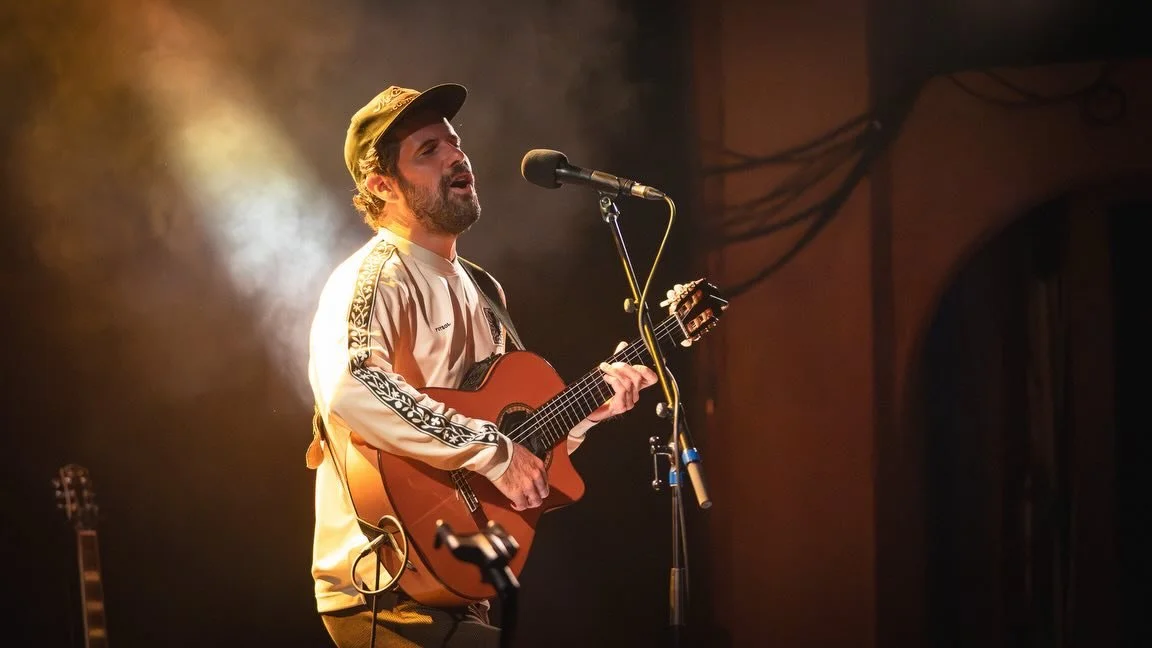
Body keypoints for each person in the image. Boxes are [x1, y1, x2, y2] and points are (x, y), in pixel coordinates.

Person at [306, 82, 658, 648]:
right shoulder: (373, 276)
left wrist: (589, 411)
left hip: (461, 590)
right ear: (380, 186)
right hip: (387, 594)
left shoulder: (482, 288)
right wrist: (491, 452)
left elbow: (515, 433)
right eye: (429, 151)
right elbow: (355, 383)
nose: (456, 155)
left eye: (454, 141)